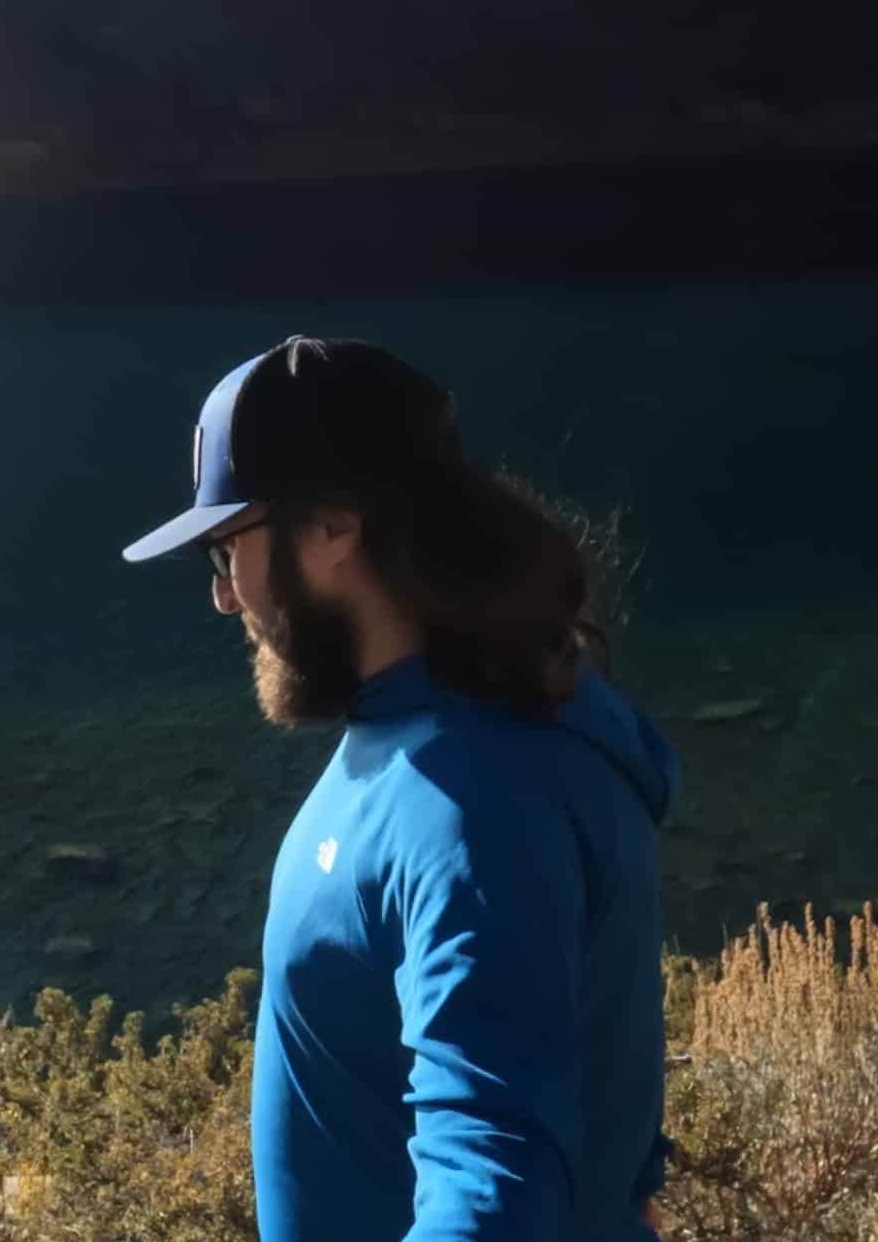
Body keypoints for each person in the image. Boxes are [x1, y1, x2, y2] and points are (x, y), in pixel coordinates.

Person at [120, 335, 681, 1242]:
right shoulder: (479, 725)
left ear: (335, 527)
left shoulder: (469, 801)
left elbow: (494, 1192)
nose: (225, 597)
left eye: (226, 548)